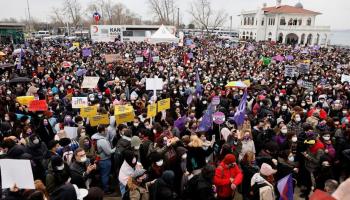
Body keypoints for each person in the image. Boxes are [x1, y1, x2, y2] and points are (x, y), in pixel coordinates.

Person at [91, 125, 116, 194]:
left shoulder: (95, 137)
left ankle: (104, 187)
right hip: (105, 160)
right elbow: (109, 152)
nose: (107, 131)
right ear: (102, 132)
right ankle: (106, 190)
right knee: (105, 175)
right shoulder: (102, 141)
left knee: (103, 174)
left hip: (100, 159)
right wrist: (116, 147)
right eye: (106, 130)